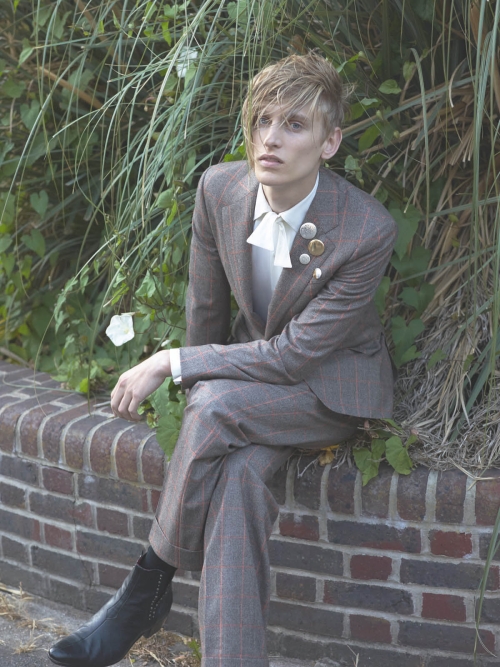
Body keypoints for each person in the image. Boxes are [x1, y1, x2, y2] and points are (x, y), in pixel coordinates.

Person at [48, 52, 397, 667]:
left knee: (213, 408)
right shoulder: (220, 190)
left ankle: (145, 587)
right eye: (262, 120)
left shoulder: (365, 229)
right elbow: (206, 310)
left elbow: (295, 356)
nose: (271, 138)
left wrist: (174, 364)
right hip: (247, 395)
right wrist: (200, 399)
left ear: (330, 142)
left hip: (326, 390)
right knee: (237, 481)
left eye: (294, 124)